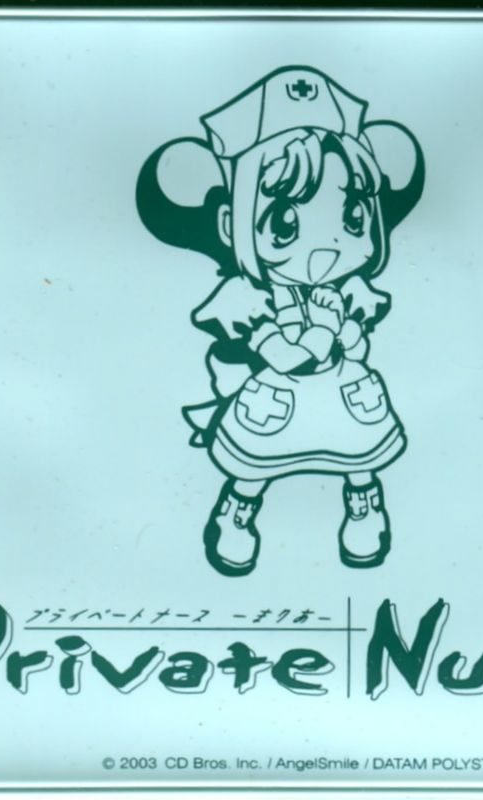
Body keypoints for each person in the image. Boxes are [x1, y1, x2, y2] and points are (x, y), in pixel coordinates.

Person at [137, 66, 424, 576]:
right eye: (287, 222)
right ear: (232, 225)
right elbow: (282, 356)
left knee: (360, 458)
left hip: (343, 394)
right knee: (252, 467)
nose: (327, 246)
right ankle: (237, 514)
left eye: (352, 218)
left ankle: (363, 505)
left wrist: (345, 333)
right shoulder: (246, 299)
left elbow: (356, 345)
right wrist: (325, 334)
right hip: (278, 401)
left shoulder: (350, 291)